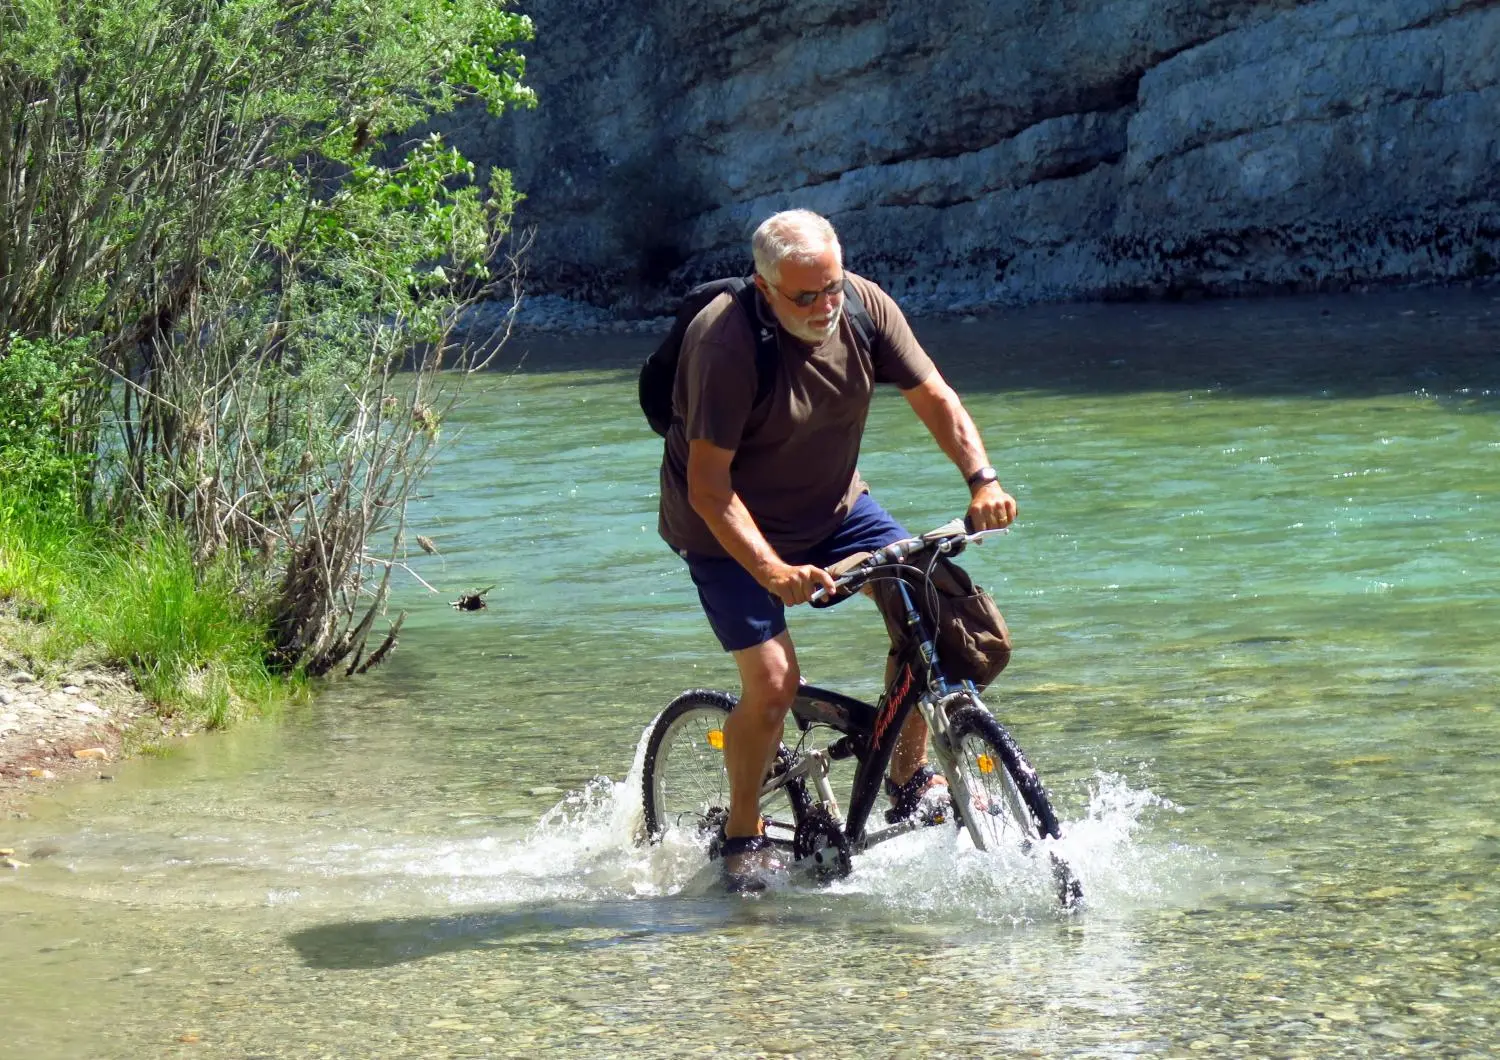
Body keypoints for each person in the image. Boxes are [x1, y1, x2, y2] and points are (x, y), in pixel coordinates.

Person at [656, 209, 1017, 889]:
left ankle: (909, 777)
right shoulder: (726, 344)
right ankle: (743, 832)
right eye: (806, 296)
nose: (827, 306)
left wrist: (982, 479)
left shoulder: (863, 306)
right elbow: (709, 488)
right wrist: (772, 570)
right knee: (771, 684)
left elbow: (934, 395)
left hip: (835, 508)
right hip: (724, 528)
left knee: (943, 622)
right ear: (766, 289)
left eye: (833, 287)